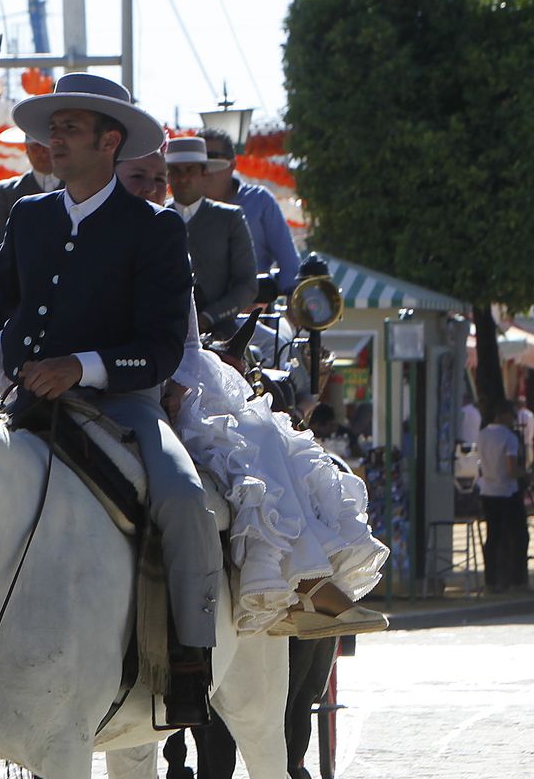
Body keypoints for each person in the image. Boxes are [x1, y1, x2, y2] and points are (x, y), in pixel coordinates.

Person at [0, 72, 217, 723]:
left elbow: (161, 350)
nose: (55, 138)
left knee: (187, 500)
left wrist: (82, 366)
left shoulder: (155, 229)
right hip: (20, 405)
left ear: (110, 141)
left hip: (121, 407)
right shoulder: (29, 216)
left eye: (70, 127)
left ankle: (190, 657)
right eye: (53, 128)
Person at [115, 156, 389, 640]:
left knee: (264, 427)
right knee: (237, 441)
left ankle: (306, 581)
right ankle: (285, 582)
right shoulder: (93, 230)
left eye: (161, 180)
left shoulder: (189, 227)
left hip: (189, 364)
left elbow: (199, 325)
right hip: (128, 377)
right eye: (142, 178)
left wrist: (196, 367)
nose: (157, 187)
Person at [164, 136, 258, 340]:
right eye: (176, 171)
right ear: (168, 175)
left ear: (203, 173)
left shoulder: (230, 217)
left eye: (190, 170)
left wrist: (208, 317)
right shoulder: (156, 217)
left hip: (220, 330)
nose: (183, 178)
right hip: (162, 330)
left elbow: (247, 284)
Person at [198, 128, 301, 297]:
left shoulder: (260, 201)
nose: (205, 168)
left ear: (232, 164)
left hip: (254, 309)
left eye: (213, 158)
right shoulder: (180, 208)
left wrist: (292, 297)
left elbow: (289, 262)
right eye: (198, 161)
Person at [0, 134, 61, 263]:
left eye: (46, 147)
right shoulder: (7, 192)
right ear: (26, 149)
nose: (42, 153)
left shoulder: (77, 187)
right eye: (35, 147)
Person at [477, 402, 528, 592]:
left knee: (493, 537)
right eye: (513, 416)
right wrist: (524, 474)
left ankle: (491, 580)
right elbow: (511, 468)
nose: (514, 421)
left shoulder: (482, 435)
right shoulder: (509, 437)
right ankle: (517, 580)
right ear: (504, 415)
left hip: (488, 491)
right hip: (507, 492)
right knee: (518, 536)